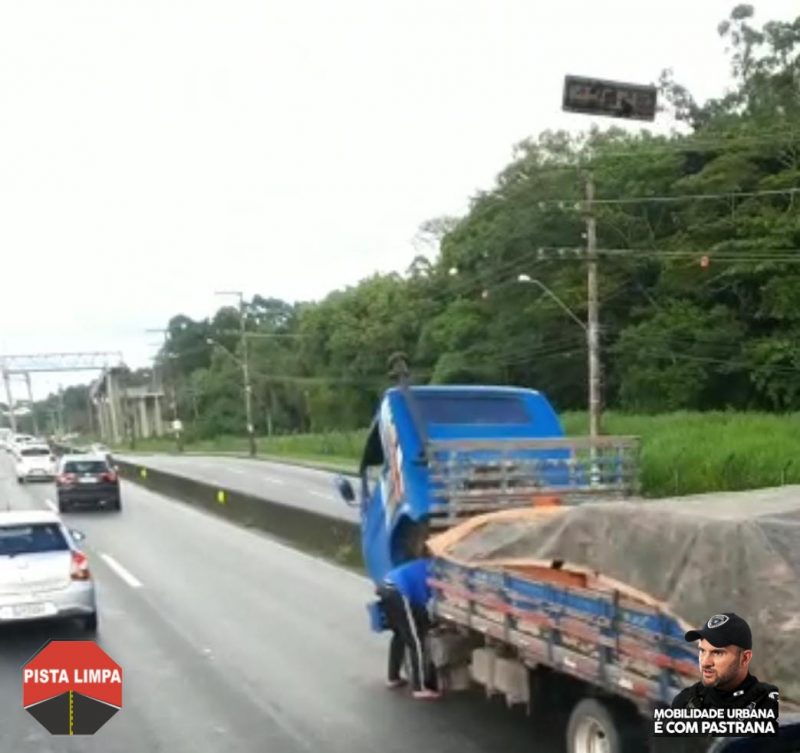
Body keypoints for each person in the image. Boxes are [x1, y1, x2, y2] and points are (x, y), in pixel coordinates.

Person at [671, 612, 780, 713]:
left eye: (718, 653)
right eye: (702, 651)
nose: (705, 662)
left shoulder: (765, 702)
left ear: (745, 658)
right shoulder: (684, 701)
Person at [376, 557, 440, 700]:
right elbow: (425, 600)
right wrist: (430, 620)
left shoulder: (427, 563)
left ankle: (393, 678)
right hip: (399, 591)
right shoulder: (436, 570)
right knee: (416, 641)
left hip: (386, 586)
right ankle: (420, 688)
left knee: (399, 634)